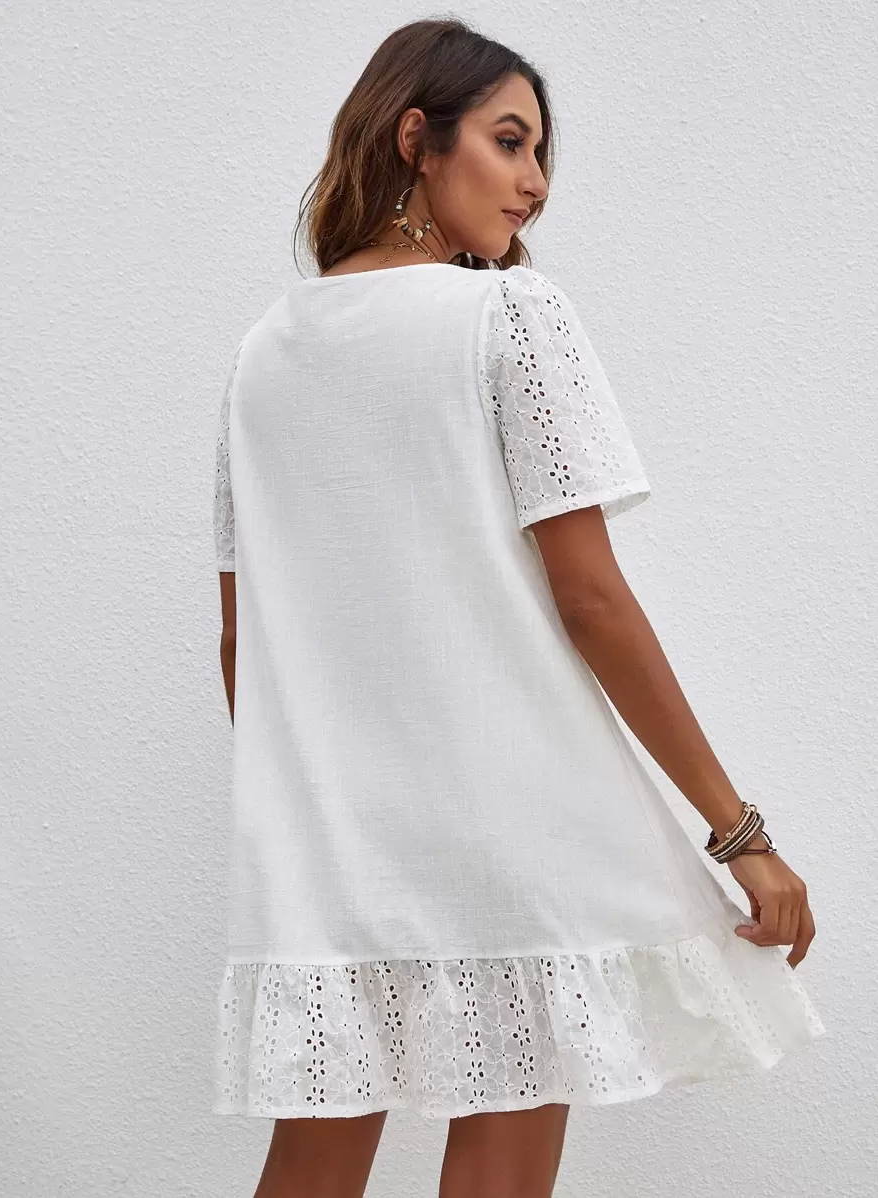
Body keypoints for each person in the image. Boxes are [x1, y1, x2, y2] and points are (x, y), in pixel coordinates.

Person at [210, 17, 825, 1198]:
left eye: (541, 153)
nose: (535, 182)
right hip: (510, 831)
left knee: (311, 1161)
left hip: (332, 842)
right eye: (509, 141)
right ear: (416, 139)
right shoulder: (510, 317)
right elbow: (590, 596)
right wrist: (739, 834)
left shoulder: (262, 354)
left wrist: (312, 822)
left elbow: (247, 640)